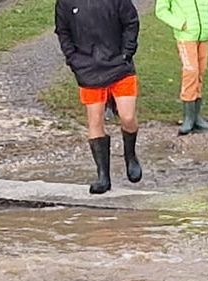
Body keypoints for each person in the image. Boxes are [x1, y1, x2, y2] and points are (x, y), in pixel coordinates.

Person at [55, 0, 143, 195]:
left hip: (120, 65)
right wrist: (73, 59)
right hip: (87, 68)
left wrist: (127, 52)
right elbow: (63, 31)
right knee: (95, 120)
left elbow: (131, 21)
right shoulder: (65, 3)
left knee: (128, 116)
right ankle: (103, 176)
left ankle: (130, 155)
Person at [155, 0, 208, 135]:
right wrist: (180, 24)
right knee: (191, 72)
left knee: (200, 72)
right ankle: (188, 117)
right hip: (186, 36)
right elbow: (161, 10)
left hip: (204, 34)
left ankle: (196, 116)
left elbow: (205, 5)